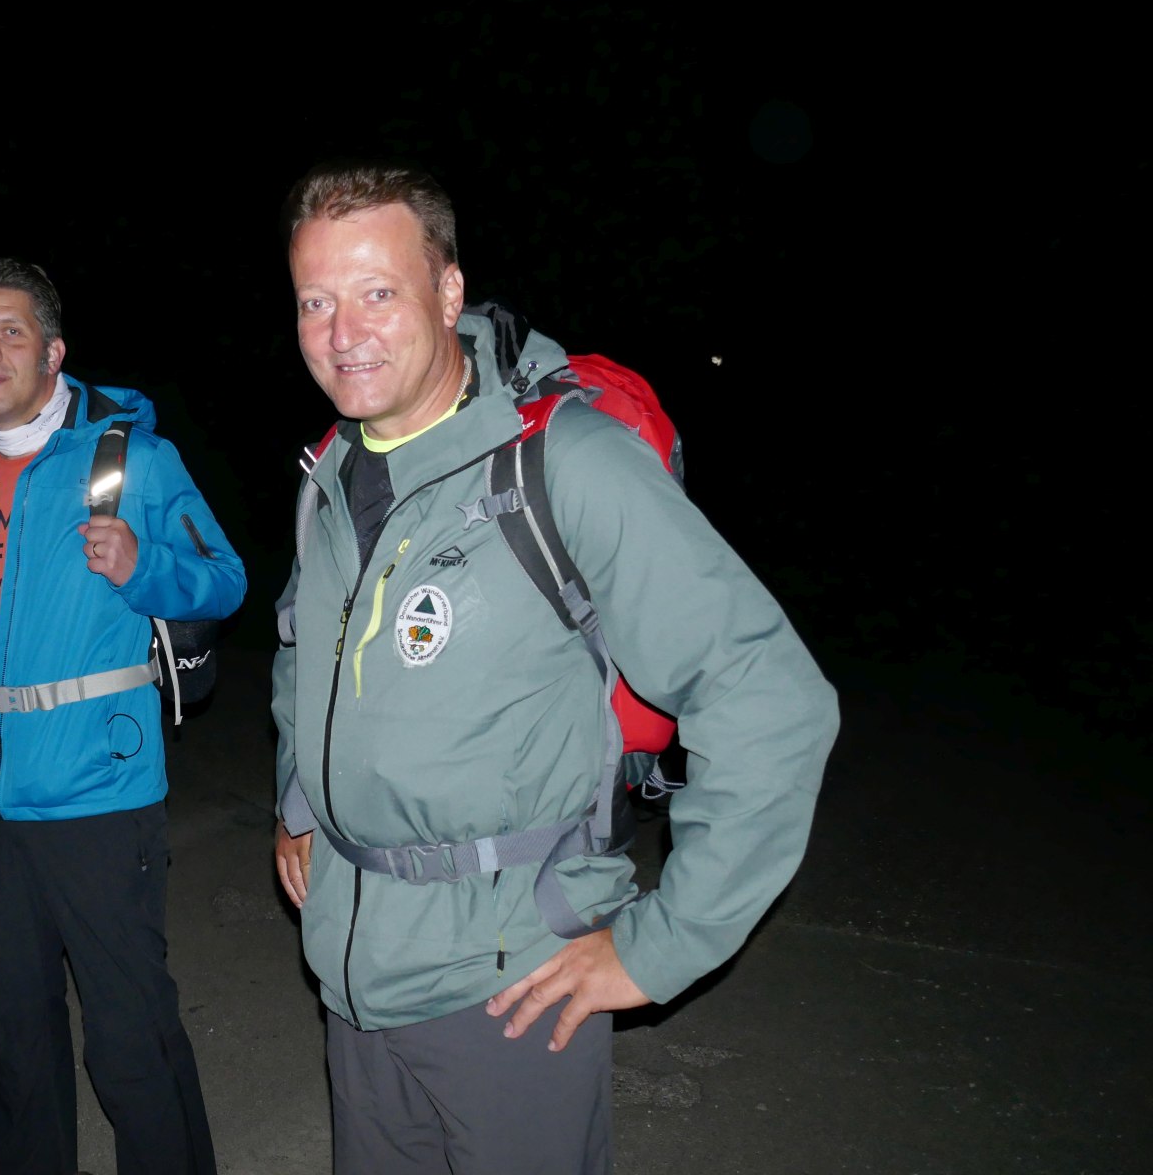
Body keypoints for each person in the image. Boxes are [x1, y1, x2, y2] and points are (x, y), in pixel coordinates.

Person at [269, 161, 839, 1174]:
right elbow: (304, 651)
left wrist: (663, 946)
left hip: (512, 986)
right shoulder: (336, 474)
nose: (343, 331)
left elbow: (769, 696)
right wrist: (300, 801)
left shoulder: (563, 462)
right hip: (354, 974)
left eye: (378, 292)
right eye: (317, 301)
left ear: (449, 291)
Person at [0, 257, 245, 1175]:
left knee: (131, 1041)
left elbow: (225, 579)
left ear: (53, 352)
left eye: (10, 332)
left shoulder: (130, 459)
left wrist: (143, 565)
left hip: (98, 793)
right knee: (16, 1041)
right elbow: (1, 615)